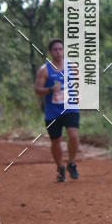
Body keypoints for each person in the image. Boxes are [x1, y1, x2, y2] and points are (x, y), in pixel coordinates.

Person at [34, 39, 80, 182]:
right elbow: (37, 90)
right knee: (56, 141)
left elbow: (79, 83)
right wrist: (49, 90)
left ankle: (71, 163)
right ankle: (60, 167)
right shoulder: (44, 70)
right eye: (55, 49)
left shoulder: (72, 66)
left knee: (73, 135)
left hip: (70, 108)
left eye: (61, 49)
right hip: (52, 111)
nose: (58, 52)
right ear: (50, 52)